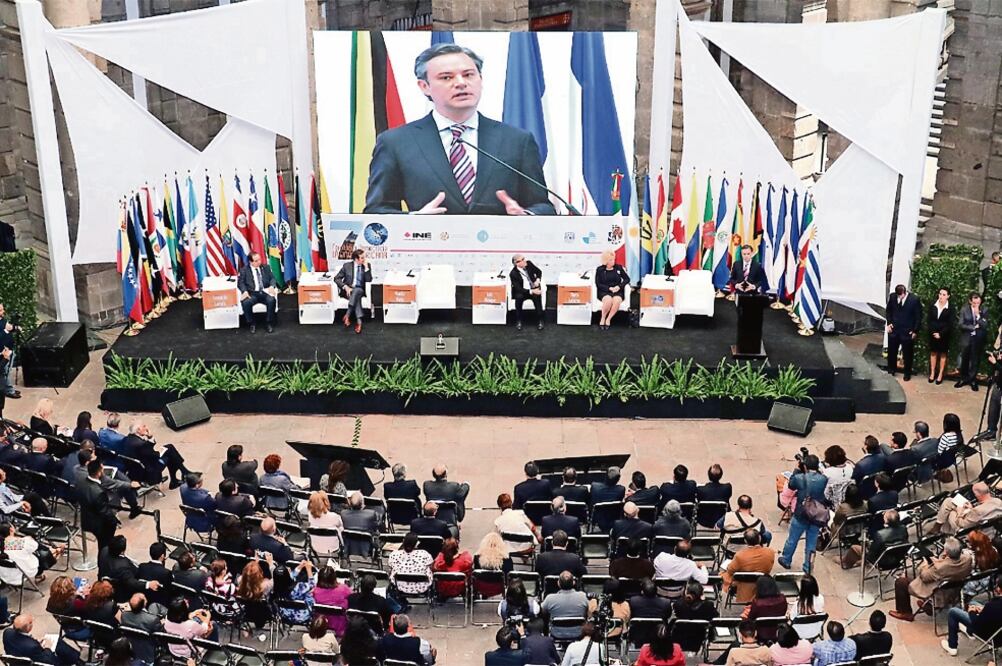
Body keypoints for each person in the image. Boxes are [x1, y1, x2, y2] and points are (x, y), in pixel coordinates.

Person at [364, 43, 555, 216]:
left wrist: (526, 216)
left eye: (468, 75)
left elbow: (542, 205)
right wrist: (413, 221)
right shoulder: (396, 143)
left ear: (480, 79)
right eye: (446, 77)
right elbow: (376, 210)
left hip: (499, 251)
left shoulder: (517, 140)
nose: (461, 83)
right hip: (430, 251)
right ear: (424, 86)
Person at [890, 537, 973, 621]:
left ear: (947, 552)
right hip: (955, 587)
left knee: (901, 582)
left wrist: (925, 563)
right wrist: (941, 559)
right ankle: (929, 606)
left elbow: (924, 576)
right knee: (911, 573)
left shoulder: (940, 568)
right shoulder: (968, 559)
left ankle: (905, 612)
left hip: (938, 588)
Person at [778, 453, 828, 573]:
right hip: (816, 514)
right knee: (811, 542)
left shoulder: (800, 478)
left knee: (793, 538)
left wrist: (796, 469)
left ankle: (786, 559)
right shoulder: (823, 479)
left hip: (801, 513)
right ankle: (808, 566)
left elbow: (791, 484)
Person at [121, 420, 190, 489]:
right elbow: (154, 456)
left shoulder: (127, 439)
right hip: (150, 471)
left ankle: (183, 473)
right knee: (170, 454)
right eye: (144, 426)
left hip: (136, 470)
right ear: (138, 430)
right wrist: (160, 451)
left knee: (169, 448)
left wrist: (150, 438)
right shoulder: (140, 444)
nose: (146, 428)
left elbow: (146, 451)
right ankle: (179, 476)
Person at [942, 580, 1002, 657]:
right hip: (998, 633)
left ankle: (952, 647)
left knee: (953, 612)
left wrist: (972, 612)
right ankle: (968, 630)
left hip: (988, 634)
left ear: (999, 589)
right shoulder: (993, 605)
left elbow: (976, 623)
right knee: (974, 603)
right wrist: (983, 610)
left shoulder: (993, 605)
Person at [842, 508, 909, 569]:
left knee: (854, 547)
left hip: (881, 562)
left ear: (886, 521)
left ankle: (845, 563)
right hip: (898, 560)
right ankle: (852, 561)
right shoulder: (903, 528)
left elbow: (871, 555)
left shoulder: (880, 534)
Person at [721, 529, 775, 603]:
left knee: (723, 574)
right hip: (762, 582)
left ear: (745, 541)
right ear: (759, 538)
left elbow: (730, 570)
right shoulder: (770, 552)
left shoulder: (740, 555)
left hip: (743, 584)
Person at [3, 613, 78, 665]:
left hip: (16, 661)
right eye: (31, 622)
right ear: (28, 627)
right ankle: (76, 660)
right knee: (58, 643)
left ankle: (75, 659)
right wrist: (47, 648)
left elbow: (23, 643)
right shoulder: (32, 647)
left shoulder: (7, 632)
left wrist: (36, 642)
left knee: (59, 644)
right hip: (33, 661)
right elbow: (49, 661)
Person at [930, 481, 1002, 535]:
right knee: (949, 501)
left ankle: (939, 527)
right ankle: (939, 524)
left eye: (974, 494)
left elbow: (962, 524)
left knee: (951, 512)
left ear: (978, 494)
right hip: (982, 523)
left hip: (970, 530)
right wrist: (971, 508)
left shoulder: (978, 510)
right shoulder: (998, 501)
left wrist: (959, 512)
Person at [0, 520, 59, 585]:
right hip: (21, 575)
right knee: (40, 553)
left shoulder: (3, 544)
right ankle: (39, 575)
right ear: (11, 529)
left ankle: (54, 551)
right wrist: (26, 539)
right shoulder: (17, 543)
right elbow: (35, 546)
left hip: (5, 576)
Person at [77, 459, 119, 551]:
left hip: (87, 518)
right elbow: (104, 512)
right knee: (104, 546)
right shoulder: (98, 492)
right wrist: (114, 521)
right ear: (99, 472)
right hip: (99, 525)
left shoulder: (81, 482)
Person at [885, 283, 922, 380]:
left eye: (900, 295)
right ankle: (891, 370)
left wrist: (915, 330)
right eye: (898, 295)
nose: (899, 297)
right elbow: (888, 311)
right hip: (894, 329)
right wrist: (889, 323)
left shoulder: (914, 300)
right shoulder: (893, 297)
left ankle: (907, 373)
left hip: (907, 331)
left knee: (907, 353)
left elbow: (918, 317)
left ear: (905, 293)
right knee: (892, 351)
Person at [540, 571, 589, 641]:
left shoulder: (550, 599)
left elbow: (541, 612)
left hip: (557, 633)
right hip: (579, 632)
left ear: (558, 583)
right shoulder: (583, 597)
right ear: (573, 583)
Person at [236, 251, 277, 333]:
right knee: (246, 303)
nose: (259, 262)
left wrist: (272, 286)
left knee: (271, 300)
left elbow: (272, 278)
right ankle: (252, 323)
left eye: (259, 259)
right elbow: (241, 283)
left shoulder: (266, 267)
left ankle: (268, 323)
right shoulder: (244, 270)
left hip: (264, 292)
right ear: (250, 262)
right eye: (256, 261)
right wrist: (244, 291)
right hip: (252, 293)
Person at [333, 248, 371, 334]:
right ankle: (359, 322)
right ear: (356, 259)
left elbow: (369, 279)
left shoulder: (366, 265)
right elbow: (336, 278)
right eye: (362, 258)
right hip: (348, 291)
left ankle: (347, 315)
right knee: (355, 295)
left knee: (357, 291)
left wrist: (366, 269)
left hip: (360, 290)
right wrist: (345, 287)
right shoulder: (347, 266)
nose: (364, 259)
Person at [956, 291, 989, 389]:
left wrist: (978, 316)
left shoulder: (984, 310)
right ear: (970, 301)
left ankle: (972, 380)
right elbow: (961, 324)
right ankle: (963, 378)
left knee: (975, 360)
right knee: (964, 359)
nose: (976, 305)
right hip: (967, 338)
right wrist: (973, 327)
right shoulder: (964, 310)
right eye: (974, 303)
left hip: (978, 339)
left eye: (978, 303)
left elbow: (985, 325)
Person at [388, 532, 433, 599]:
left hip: (400, 585)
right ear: (416, 544)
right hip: (421, 586)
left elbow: (390, 566)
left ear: (403, 542)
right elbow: (431, 565)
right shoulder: (424, 554)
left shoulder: (394, 554)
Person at [119, 594, 163, 664]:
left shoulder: (124, 615)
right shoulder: (153, 619)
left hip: (131, 648)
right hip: (149, 651)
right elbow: (161, 637)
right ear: (144, 603)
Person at [743, 576, 787, 643]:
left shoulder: (757, 603)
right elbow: (783, 612)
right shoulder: (783, 599)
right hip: (778, 632)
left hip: (760, 633)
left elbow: (750, 619)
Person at [594, 250, 631, 330]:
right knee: (608, 301)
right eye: (610, 260)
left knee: (616, 301)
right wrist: (609, 288)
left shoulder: (619, 268)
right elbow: (598, 283)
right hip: (605, 291)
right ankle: (603, 318)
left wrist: (619, 286)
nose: (613, 261)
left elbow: (627, 279)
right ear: (606, 261)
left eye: (613, 259)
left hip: (617, 291)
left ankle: (608, 319)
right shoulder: (600, 270)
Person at [313, 565, 352, 638]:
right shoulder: (344, 589)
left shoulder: (315, 591)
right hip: (339, 624)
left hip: (321, 623)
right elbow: (352, 597)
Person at [273, 559, 316, 625]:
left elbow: (286, 577)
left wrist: (300, 566)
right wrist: (309, 569)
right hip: (302, 616)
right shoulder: (299, 587)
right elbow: (312, 585)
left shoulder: (274, 586)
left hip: (284, 614)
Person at [509, 255, 545, 332]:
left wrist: (538, 280)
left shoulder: (529, 264)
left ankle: (540, 320)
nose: (524, 260)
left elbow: (539, 271)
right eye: (522, 260)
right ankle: (519, 320)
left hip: (533, 287)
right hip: (523, 291)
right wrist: (531, 291)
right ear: (517, 263)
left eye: (524, 259)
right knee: (518, 298)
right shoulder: (513, 273)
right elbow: (518, 288)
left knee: (537, 298)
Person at [473, 532, 513, 599]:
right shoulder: (506, 559)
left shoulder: (477, 557)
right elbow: (509, 577)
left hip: (481, 587)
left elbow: (476, 575)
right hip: (499, 588)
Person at [235, 559, 273, 628]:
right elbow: (275, 579)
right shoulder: (266, 585)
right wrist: (270, 565)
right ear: (260, 573)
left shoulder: (240, 581)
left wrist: (254, 564)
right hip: (265, 613)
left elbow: (248, 576)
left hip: (247, 612)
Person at [928, 287, 954, 383]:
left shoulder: (950, 308)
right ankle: (932, 373)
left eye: (944, 295)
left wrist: (941, 334)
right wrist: (933, 332)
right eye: (940, 294)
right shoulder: (932, 305)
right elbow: (929, 320)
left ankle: (940, 374)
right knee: (933, 352)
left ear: (948, 296)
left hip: (944, 335)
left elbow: (950, 324)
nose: (941, 296)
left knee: (943, 354)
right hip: (933, 333)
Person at [307, 491, 344, 557]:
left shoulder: (310, 515)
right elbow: (340, 525)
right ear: (326, 502)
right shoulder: (334, 516)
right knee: (341, 528)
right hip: (333, 546)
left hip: (316, 546)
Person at [788, 574, 825, 640]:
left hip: (799, 633)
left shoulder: (798, 605)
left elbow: (791, 617)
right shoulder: (821, 598)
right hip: (815, 630)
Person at [135, 542, 172, 606]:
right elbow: (168, 591)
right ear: (162, 556)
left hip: (142, 601)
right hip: (158, 604)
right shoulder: (166, 573)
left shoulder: (142, 566)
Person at [0, 303, 20, 399]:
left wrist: (14, 328)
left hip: (10, 349)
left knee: (8, 371)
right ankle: (9, 390)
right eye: (0, 310)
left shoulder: (2, 320)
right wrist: (6, 331)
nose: (3, 312)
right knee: (5, 371)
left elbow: (8, 327)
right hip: (3, 353)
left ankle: (8, 388)